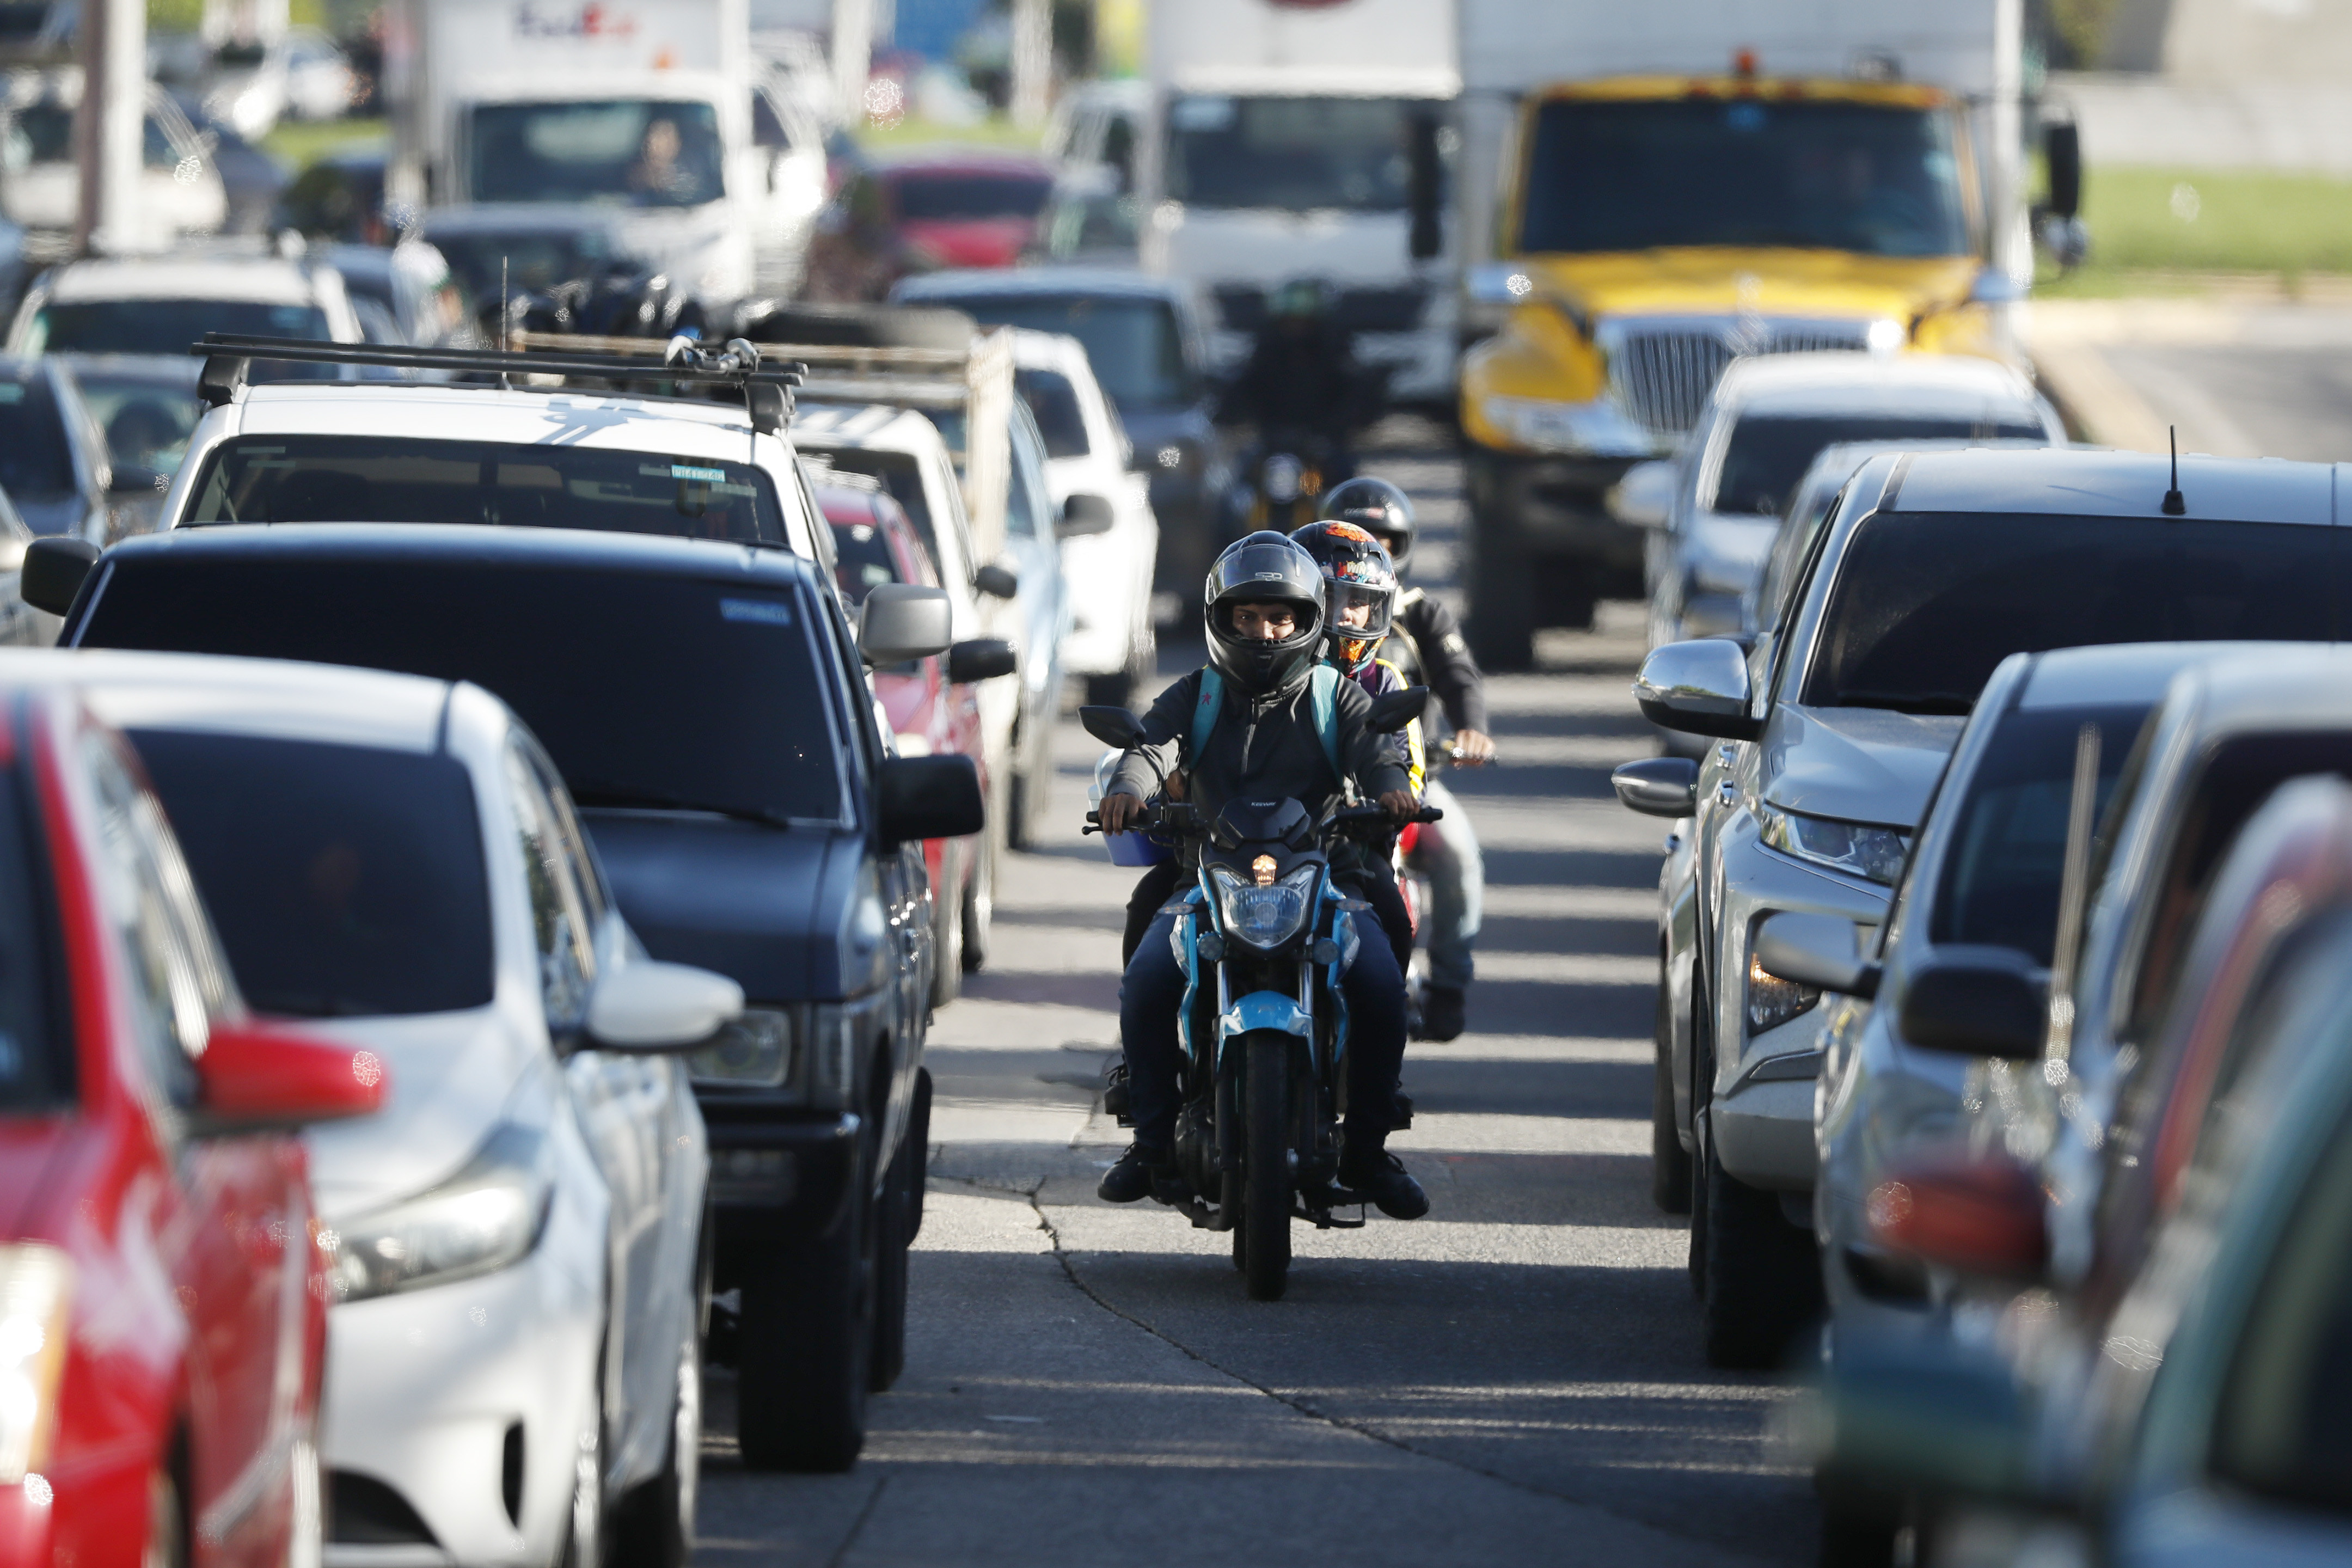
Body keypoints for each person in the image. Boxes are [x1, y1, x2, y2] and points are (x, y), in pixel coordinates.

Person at [1096, 532, 1428, 1220]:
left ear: (1310, 619)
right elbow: (1151, 744)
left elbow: (1377, 751)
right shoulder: (1200, 692)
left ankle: (1368, 1146)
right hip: (1208, 877)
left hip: (1328, 877)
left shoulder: (1338, 694)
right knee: (1149, 975)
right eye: (1248, 616)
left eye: (1281, 617)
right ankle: (1151, 1141)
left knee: (1380, 982)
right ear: (1221, 618)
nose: (1265, 631)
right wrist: (1129, 787)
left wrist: (1391, 789)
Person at [1321, 477, 1490, 1042]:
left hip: (1407, 784)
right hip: (1313, 778)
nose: (1371, 550)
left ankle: (1447, 986)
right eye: (1355, 538)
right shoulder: (1300, 614)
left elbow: (1458, 676)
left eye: (1385, 542)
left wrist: (1471, 729)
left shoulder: (1419, 615)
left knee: (1457, 853)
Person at [1289, 518, 1419, 975]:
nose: (1346, 614)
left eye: (1360, 602)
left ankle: (1381, 1038)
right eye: (1333, 599)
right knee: (1157, 907)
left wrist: (1390, 801)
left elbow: (1406, 764)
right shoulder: (1264, 672)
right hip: (1261, 840)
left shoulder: (1385, 680)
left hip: (1351, 846)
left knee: (1393, 924)